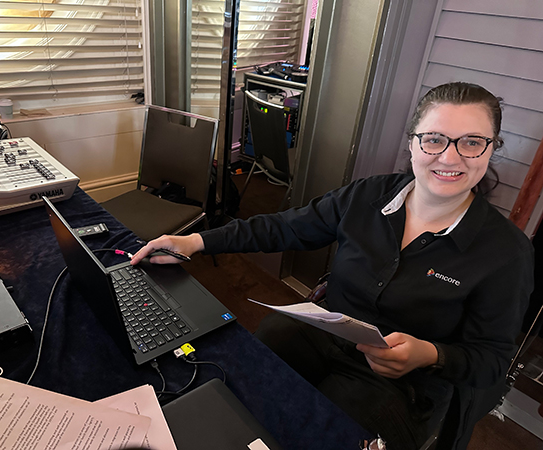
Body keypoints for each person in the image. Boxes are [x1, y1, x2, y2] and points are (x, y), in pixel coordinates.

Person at [130, 82, 534, 449]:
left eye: (471, 142)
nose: (449, 156)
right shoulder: (367, 195)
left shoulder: (505, 252)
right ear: (413, 144)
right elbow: (284, 227)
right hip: (322, 334)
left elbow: (493, 361)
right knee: (237, 386)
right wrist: (195, 240)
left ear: (491, 148)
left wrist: (430, 354)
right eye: (434, 139)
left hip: (398, 385)